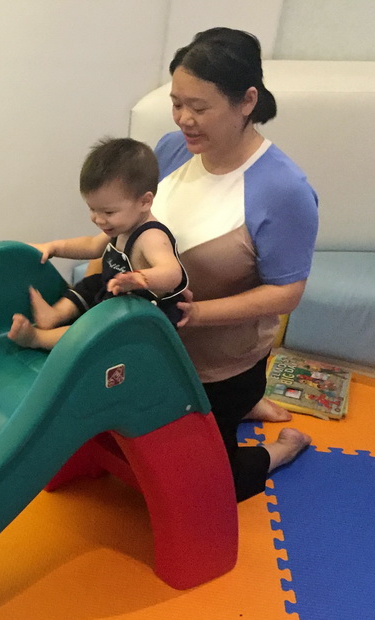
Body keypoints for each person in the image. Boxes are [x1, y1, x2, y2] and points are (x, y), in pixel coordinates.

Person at [152, 27, 318, 501]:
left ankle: (283, 447)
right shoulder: (171, 149)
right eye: (177, 103)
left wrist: (198, 313)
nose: (184, 119)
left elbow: (288, 292)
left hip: (222, 364)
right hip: (154, 344)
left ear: (247, 101)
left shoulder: (282, 190)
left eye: (200, 108)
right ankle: (244, 410)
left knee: (204, 489)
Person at [9, 137, 188, 350]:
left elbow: (172, 273)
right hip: (119, 295)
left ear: (144, 202)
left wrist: (140, 278)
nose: (98, 219)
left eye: (108, 212)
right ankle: (54, 315)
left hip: (142, 316)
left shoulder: (152, 237)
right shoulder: (124, 225)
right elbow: (92, 246)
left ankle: (39, 339)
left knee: (95, 328)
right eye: (93, 209)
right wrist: (54, 247)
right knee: (91, 284)